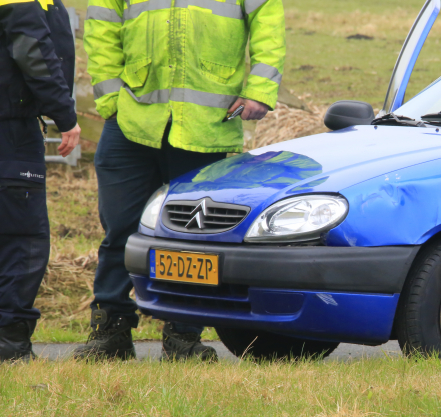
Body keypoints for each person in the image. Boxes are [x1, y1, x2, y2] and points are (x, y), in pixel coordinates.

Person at [79, 0, 285, 361]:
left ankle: (183, 336)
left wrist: (260, 90)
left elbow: (269, 27)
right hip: (131, 121)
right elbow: (101, 29)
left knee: (192, 237)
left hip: (205, 125)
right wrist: (111, 100)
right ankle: (110, 331)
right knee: (120, 230)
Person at [0, 0, 81, 362]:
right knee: (22, 237)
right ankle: (9, 342)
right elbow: (31, 49)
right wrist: (64, 114)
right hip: (10, 129)